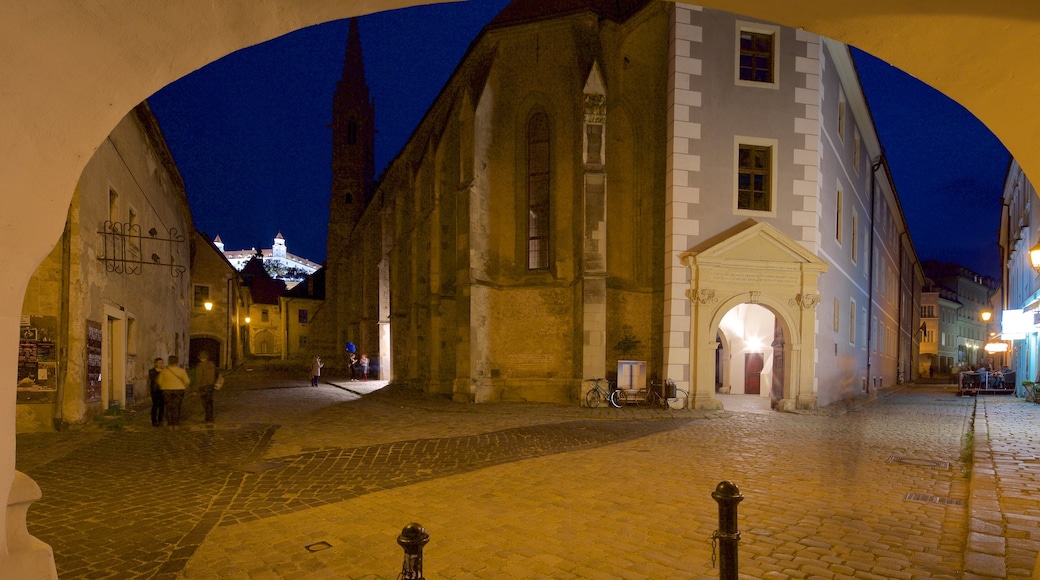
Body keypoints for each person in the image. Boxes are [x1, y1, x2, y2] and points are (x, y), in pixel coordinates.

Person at [158, 355, 190, 427]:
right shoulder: (181, 371)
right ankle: (176, 424)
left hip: (166, 390)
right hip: (179, 390)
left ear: (168, 361)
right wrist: (184, 386)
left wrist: (164, 386)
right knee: (177, 407)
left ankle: (170, 423)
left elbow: (160, 381)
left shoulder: (164, 371)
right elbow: (187, 381)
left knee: (168, 407)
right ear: (177, 362)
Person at [194, 351, 218, 423]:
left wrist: (195, 389)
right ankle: (210, 417)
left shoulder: (200, 366)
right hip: (211, 385)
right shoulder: (212, 364)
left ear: (199, 358)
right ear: (207, 357)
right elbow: (216, 374)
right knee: (210, 402)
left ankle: (208, 418)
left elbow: (199, 378)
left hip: (203, 386)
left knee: (205, 403)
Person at [148, 357, 165, 427]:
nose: (161, 364)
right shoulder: (152, 371)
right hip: (155, 390)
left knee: (162, 406)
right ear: (156, 363)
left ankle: (160, 420)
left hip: (162, 390)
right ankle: (154, 421)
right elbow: (153, 379)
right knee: (155, 405)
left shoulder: (164, 371)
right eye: (159, 363)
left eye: (162, 363)